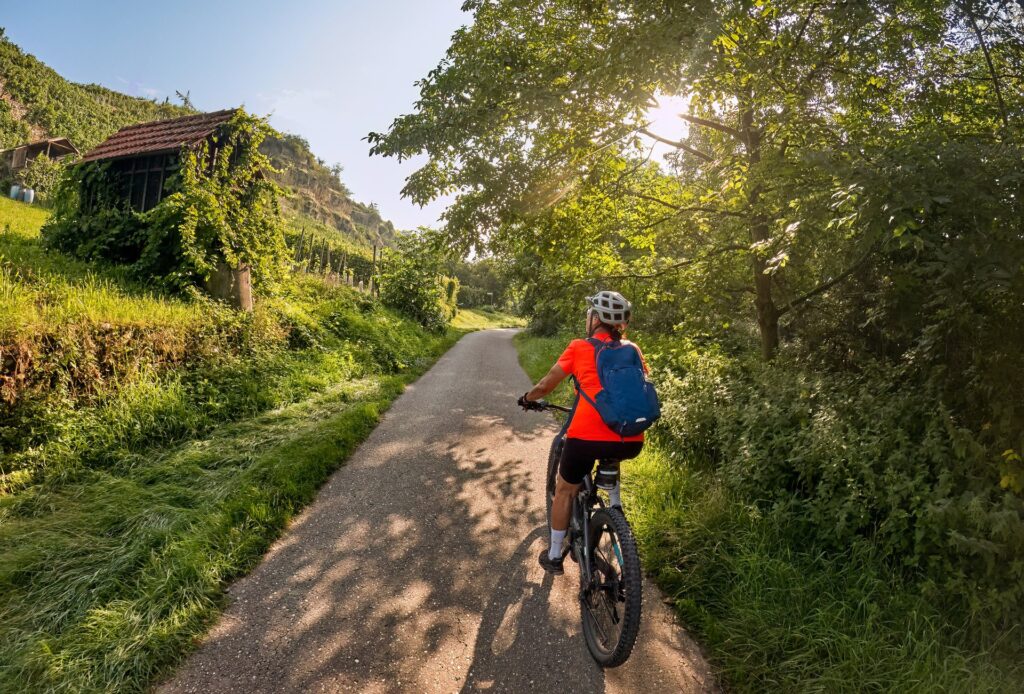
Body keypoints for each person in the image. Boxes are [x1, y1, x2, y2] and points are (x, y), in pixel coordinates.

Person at [517, 290, 646, 575]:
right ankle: (615, 511)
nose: (587, 317)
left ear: (597, 319)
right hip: (631, 438)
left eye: (590, 313)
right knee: (611, 459)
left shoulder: (579, 346)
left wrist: (528, 398)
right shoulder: (633, 349)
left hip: (585, 437)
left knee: (565, 489)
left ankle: (553, 556)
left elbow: (546, 384)